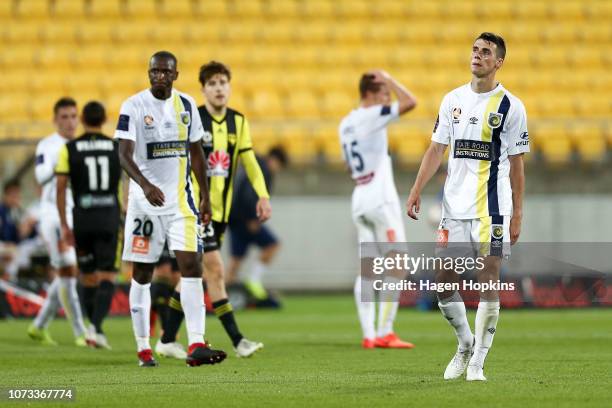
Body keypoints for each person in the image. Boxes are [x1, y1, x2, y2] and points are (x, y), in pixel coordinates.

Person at [406, 33, 529, 381]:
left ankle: (477, 363)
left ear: (498, 61)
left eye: (485, 52)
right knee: (444, 279)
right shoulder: (452, 100)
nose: (477, 55)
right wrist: (416, 189)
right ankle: (464, 344)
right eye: (475, 50)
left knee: (488, 276)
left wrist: (518, 212)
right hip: (453, 208)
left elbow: (517, 164)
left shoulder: (511, 106)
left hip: (494, 209)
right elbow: (435, 150)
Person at [116, 51, 226, 367]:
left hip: (181, 204)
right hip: (144, 207)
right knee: (142, 273)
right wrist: (145, 186)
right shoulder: (133, 106)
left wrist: (205, 196)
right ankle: (143, 347)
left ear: (175, 75)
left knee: (192, 267)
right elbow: (123, 155)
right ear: (149, 73)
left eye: (165, 72)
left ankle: (195, 344)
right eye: (154, 72)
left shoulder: (187, 105)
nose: (159, 77)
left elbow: (196, 154)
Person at [157, 61, 270, 359]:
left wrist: (263, 195)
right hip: (193, 208)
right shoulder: (192, 117)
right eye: (213, 83)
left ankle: (167, 339)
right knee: (216, 270)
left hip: (220, 213)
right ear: (204, 89)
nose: (219, 88)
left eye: (223, 82)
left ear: (229, 87)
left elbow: (249, 162)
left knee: (191, 277)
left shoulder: (239, 121)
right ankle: (238, 341)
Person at [339, 69, 417, 349]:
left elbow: (349, 164)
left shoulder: (346, 123)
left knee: (368, 269)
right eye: (384, 90)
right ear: (371, 93)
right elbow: (410, 102)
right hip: (380, 198)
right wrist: (392, 77)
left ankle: (369, 334)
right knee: (398, 264)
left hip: (359, 194)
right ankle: (385, 332)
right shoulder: (371, 115)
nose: (388, 95)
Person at [55, 101, 122, 350]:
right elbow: (125, 182)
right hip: (108, 218)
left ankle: (94, 329)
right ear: (104, 119)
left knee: (87, 276)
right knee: (107, 275)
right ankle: (95, 327)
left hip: (82, 219)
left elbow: (61, 188)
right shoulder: (116, 147)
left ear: (82, 119)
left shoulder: (69, 148)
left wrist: (64, 223)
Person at [28, 98, 88, 347]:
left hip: (77, 214)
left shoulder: (83, 146)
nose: (70, 121)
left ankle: (39, 326)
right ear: (55, 120)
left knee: (68, 273)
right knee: (69, 270)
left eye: (74, 116)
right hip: (53, 214)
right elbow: (41, 176)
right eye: (64, 116)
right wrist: (62, 164)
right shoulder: (48, 145)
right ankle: (80, 333)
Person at [226, 146, 288, 305]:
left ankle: (218, 298)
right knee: (272, 245)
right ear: (274, 160)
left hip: (234, 216)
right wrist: (253, 218)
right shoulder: (263, 170)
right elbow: (248, 194)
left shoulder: (251, 165)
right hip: (246, 219)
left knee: (236, 260)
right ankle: (253, 281)